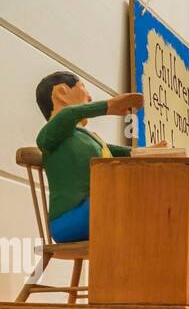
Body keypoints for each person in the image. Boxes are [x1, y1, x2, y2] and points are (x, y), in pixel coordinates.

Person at [34, 71, 144, 242]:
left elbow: (119, 151)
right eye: (83, 88)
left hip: (98, 207)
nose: (90, 98)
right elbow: (67, 115)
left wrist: (149, 152)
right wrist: (108, 105)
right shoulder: (51, 135)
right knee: (133, 202)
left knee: (143, 199)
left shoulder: (86, 138)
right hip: (69, 218)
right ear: (62, 92)